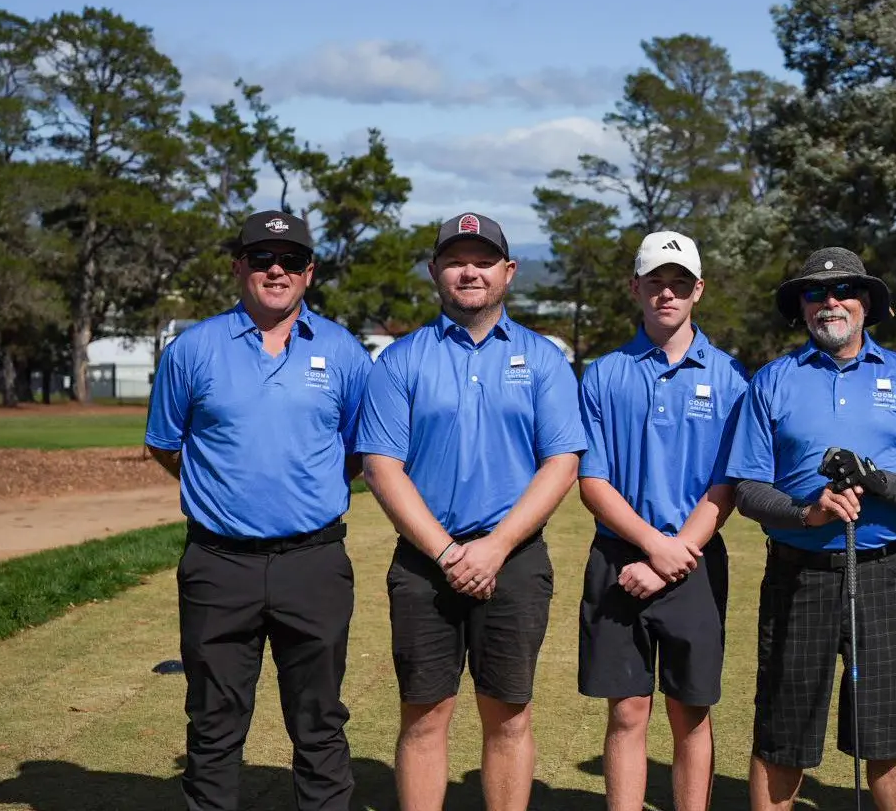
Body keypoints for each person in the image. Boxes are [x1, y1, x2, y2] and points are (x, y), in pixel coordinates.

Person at [356, 212, 587, 811]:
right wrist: (448, 552)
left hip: (513, 561)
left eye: (483, 261)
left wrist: (495, 548)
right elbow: (383, 467)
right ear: (435, 271)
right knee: (424, 717)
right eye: (456, 260)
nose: (470, 272)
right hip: (424, 563)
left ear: (507, 272)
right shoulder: (400, 361)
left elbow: (560, 464)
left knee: (508, 716)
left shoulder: (543, 359)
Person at [144, 210, 373, 811]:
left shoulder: (344, 352)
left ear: (309, 272)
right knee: (214, 724)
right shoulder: (192, 350)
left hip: (314, 563)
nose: (277, 269)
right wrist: (223, 491)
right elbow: (167, 446)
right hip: (219, 564)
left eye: (291, 260)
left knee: (320, 723)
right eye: (263, 258)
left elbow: (355, 453)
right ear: (238, 266)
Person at [726, 247, 896, 811]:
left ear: (866, 302)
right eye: (815, 293)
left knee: (889, 728)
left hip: (879, 575)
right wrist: (810, 512)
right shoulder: (772, 381)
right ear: (801, 308)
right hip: (797, 576)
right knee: (782, 729)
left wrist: (873, 478)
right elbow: (748, 489)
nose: (830, 302)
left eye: (845, 291)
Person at [576, 231, 749, 811]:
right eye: (656, 282)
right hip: (618, 555)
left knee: (690, 711)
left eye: (679, 283)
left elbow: (726, 486)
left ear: (698, 290)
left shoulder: (729, 378)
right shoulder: (603, 375)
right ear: (636, 289)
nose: (667, 294)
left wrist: (676, 557)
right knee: (627, 710)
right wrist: (654, 547)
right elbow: (593, 483)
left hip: (695, 559)